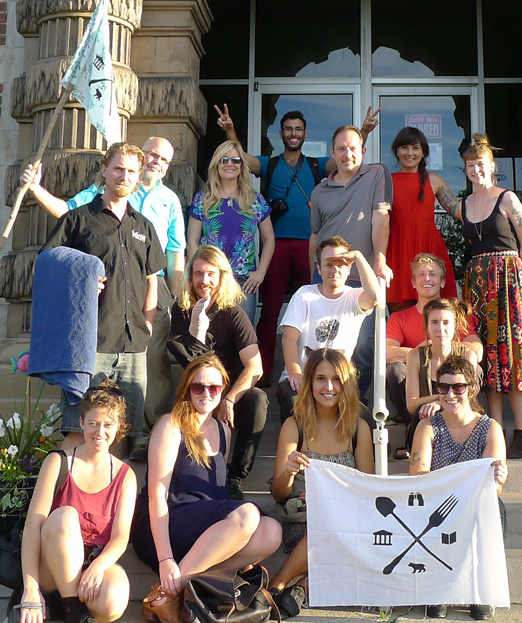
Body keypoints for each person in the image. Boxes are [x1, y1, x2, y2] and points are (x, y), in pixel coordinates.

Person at [22, 136, 185, 454]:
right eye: (118, 169)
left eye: (131, 171)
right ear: (104, 170)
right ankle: (68, 484)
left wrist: (147, 323)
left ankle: (115, 488)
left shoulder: (144, 227)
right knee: (80, 431)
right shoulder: (78, 219)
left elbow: (152, 279)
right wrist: (78, 279)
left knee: (124, 434)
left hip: (133, 345)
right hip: (89, 343)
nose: (125, 176)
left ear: (138, 177)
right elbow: (47, 264)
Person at [215, 104, 380, 382]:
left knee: (315, 306)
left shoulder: (316, 165)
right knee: (270, 311)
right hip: (277, 245)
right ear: (281, 133)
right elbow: (241, 158)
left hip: (310, 247)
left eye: (298, 129)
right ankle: (263, 372)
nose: (293, 133)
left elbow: (346, 156)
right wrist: (230, 130)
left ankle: (312, 370)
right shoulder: (270, 164)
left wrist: (363, 130)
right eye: (288, 129)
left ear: (305, 134)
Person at [131, 354, 282, 623]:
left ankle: (183, 582)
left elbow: (216, 495)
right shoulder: (171, 425)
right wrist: (165, 558)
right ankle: (167, 590)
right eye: (198, 387)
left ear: (223, 390)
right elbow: (157, 495)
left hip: (202, 529)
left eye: (214, 387)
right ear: (186, 389)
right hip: (164, 524)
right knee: (247, 514)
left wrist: (236, 542)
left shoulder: (224, 431)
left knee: (271, 532)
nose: (206, 394)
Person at [448, 133, 522, 460]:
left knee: (513, 357)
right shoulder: (463, 206)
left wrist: (519, 283)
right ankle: (495, 431)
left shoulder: (507, 198)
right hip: (477, 286)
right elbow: (439, 197)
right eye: (470, 165)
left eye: (481, 164)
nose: (476, 170)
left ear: (491, 166)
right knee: (487, 357)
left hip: (508, 284)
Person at [17, 380, 137, 623]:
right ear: (81, 423)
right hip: (51, 565)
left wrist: (97, 567)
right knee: (66, 515)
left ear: (118, 427)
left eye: (108, 425)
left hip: (91, 561)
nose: (99, 432)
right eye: (93, 423)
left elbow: (120, 537)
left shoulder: (126, 476)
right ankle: (74, 611)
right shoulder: (58, 462)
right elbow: (32, 525)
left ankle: (69, 606)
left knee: (113, 601)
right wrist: (30, 588)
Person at [269, 348, 374, 618]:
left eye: (337, 379)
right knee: (333, 529)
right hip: (304, 523)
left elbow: (369, 493)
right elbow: (278, 494)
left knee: (344, 526)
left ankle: (298, 586)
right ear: (310, 383)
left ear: (347, 383)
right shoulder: (294, 426)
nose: (329, 387)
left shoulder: (358, 428)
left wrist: (335, 499)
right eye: (320, 379)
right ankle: (283, 583)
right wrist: (289, 472)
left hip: (347, 523)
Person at [410, 354, 508, 621]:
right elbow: (418, 477)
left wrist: (498, 477)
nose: (450, 394)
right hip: (437, 503)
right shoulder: (428, 427)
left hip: (474, 504)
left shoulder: (490, 428)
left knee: (495, 507)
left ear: (472, 390)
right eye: (443, 387)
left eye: (458, 387)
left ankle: (479, 591)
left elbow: (494, 489)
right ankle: (439, 588)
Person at [167, 245, 268, 500]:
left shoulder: (234, 313)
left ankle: (234, 477)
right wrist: (197, 332)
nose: (205, 280)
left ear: (222, 277)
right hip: (198, 392)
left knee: (257, 398)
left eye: (211, 274)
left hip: (231, 394)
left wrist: (229, 399)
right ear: (190, 277)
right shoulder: (180, 311)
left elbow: (255, 367)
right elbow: (187, 360)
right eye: (198, 273)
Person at [309, 124, 393, 398]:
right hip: (327, 280)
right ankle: (325, 401)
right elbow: (315, 235)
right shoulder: (319, 191)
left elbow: (381, 217)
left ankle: (355, 401)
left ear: (363, 151)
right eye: (341, 149)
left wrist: (379, 259)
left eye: (353, 148)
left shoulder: (377, 174)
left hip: (361, 280)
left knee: (364, 348)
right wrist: (313, 273)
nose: (348, 154)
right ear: (332, 153)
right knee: (323, 344)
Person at [277, 237, 382, 424]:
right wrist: (295, 373)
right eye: (328, 264)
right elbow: (288, 338)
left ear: (349, 269)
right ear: (319, 268)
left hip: (338, 382)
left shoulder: (354, 297)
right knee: (295, 409)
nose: (335, 270)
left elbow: (375, 297)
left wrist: (358, 256)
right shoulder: (304, 295)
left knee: (368, 425)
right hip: (302, 378)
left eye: (341, 264)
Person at [386, 253, 482, 429]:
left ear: (443, 282)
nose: (427, 279)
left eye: (432, 274)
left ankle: (463, 424)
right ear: (413, 283)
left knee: (476, 367)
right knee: (395, 370)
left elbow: (478, 350)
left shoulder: (455, 315)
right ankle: (412, 426)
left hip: (454, 379)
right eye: (421, 274)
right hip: (419, 382)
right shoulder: (399, 317)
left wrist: (443, 347)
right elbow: (385, 353)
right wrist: (422, 350)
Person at [187, 140, 274, 326]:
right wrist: (198, 272)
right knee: (208, 333)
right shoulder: (203, 199)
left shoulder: (254, 199)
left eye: (235, 160)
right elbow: (192, 240)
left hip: (244, 280)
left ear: (242, 165)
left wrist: (260, 272)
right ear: (216, 164)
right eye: (224, 159)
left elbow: (269, 239)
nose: (229, 164)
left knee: (242, 335)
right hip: (210, 278)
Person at [387, 126, 459, 306]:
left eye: (415, 148)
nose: (410, 153)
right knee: (400, 308)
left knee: (435, 308)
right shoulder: (387, 181)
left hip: (428, 245)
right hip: (397, 249)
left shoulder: (434, 180)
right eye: (404, 147)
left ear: (424, 152)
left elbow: (458, 211)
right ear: (397, 151)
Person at [403, 298, 481, 456]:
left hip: (458, 422)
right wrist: (439, 399)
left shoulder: (468, 355)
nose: (440, 328)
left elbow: (469, 401)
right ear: (427, 326)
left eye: (446, 322)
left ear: (455, 326)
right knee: (424, 412)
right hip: (426, 422)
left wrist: (440, 403)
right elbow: (411, 405)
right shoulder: (415, 356)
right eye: (434, 322)